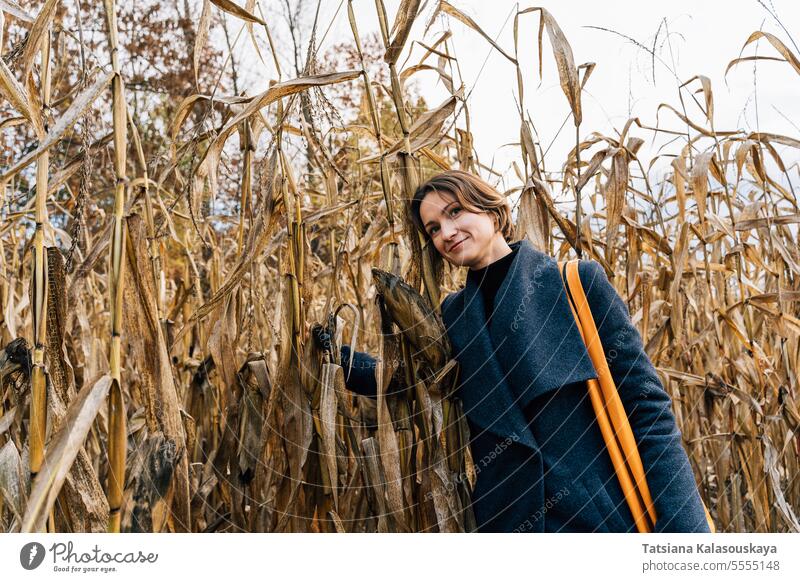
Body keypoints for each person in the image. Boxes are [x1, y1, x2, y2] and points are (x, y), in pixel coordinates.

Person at [313, 169, 711, 533]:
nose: (446, 232)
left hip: (599, 519)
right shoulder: (453, 315)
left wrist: (682, 537)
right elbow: (414, 384)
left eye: (455, 212)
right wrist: (335, 357)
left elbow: (648, 409)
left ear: (491, 210)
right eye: (433, 228)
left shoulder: (575, 284)